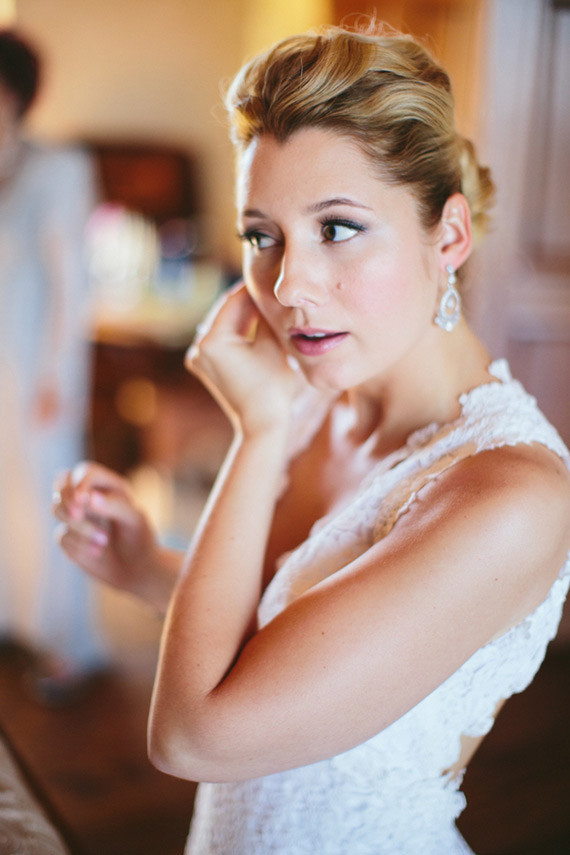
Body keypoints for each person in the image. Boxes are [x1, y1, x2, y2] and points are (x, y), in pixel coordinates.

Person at [53, 24, 570, 853]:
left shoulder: (510, 496)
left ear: (449, 236)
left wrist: (255, 433)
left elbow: (193, 735)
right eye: (263, 236)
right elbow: (279, 638)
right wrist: (147, 565)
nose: (288, 286)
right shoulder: (319, 400)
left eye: (337, 227)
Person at [0, 29, 105, 702]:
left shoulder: (59, 168)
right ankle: (14, 620)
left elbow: (73, 286)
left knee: (47, 492)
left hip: (35, 357)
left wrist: (55, 378)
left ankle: (67, 643)